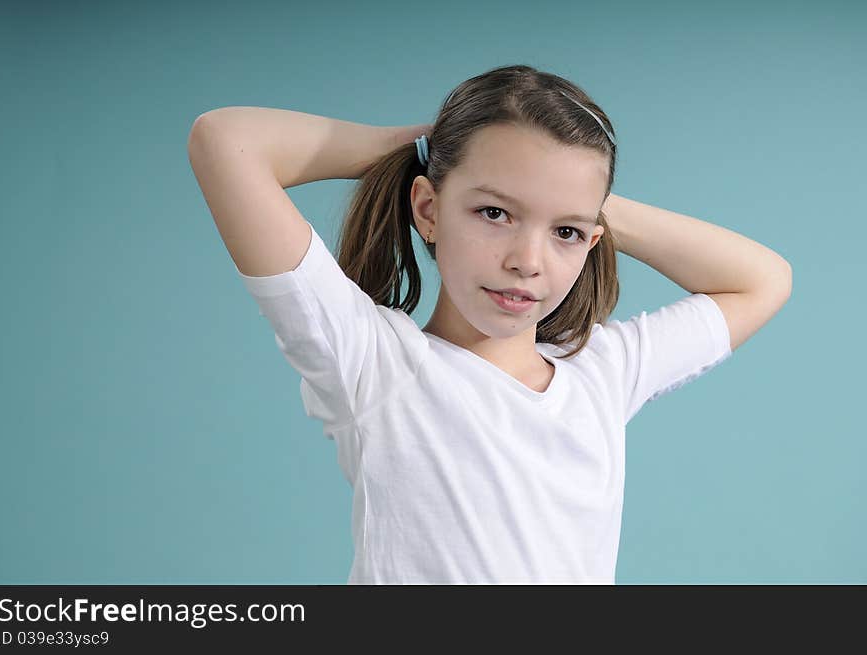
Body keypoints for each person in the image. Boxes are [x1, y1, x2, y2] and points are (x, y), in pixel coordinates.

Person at [188, 64, 791, 584]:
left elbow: (762, 278)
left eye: (566, 233)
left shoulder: (603, 375)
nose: (527, 261)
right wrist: (415, 149)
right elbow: (224, 141)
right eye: (495, 211)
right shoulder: (372, 360)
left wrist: (583, 197)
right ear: (428, 209)